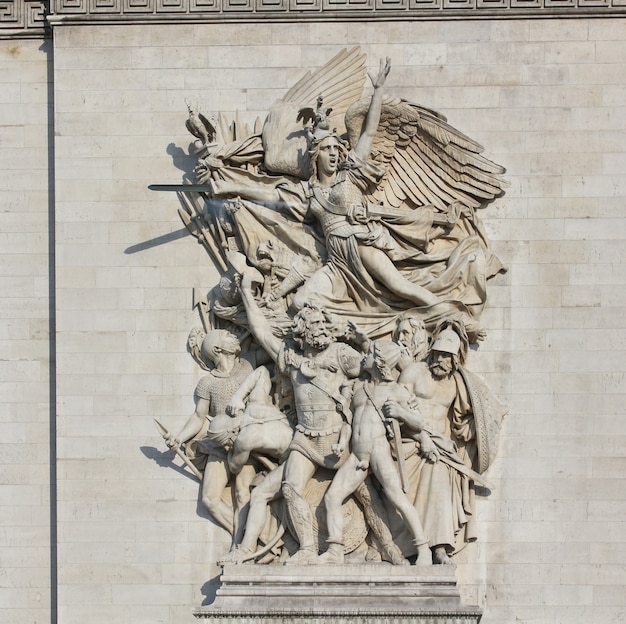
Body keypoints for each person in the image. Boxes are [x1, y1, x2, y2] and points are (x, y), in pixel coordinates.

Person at [239, 273, 363, 564]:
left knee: (369, 498)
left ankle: (393, 546)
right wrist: (246, 291)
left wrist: (364, 341)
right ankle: (307, 548)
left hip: (338, 440)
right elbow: (261, 331)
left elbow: (377, 370)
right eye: (315, 324)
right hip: (306, 439)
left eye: (323, 323)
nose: (321, 329)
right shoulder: (291, 359)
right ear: (302, 331)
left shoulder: (342, 353)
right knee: (289, 487)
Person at [383, 322, 500, 564]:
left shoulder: (457, 383)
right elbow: (395, 407)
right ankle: (427, 546)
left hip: (441, 449)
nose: (440, 361)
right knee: (436, 472)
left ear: (456, 359)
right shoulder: (414, 372)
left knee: (441, 473)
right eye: (438, 355)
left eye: (447, 357)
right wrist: (422, 437)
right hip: (409, 442)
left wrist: (478, 426)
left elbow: (470, 416)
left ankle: (438, 546)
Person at [320, 340, 431, 566]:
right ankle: (334, 549)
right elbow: (349, 423)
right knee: (332, 497)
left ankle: (423, 549)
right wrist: (342, 443)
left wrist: (400, 411)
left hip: (379, 451)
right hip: (358, 456)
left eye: (370, 352)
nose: (365, 355)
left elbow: (419, 423)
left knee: (398, 498)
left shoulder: (396, 391)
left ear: (380, 361)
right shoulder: (359, 389)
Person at [166, 329, 255, 544]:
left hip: (248, 438)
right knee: (209, 499)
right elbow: (199, 416)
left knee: (243, 493)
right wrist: (179, 437)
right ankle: (245, 539)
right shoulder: (208, 383)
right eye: (228, 335)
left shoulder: (248, 364)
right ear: (218, 349)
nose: (234, 336)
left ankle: (247, 543)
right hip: (220, 443)